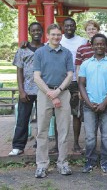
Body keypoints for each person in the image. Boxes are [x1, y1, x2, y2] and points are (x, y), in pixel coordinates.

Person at [33, 23, 73, 178]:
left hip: (62, 92)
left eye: (58, 34)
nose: (56, 37)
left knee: (63, 131)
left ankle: (63, 164)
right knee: (42, 131)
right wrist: (50, 93)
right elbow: (36, 76)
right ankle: (42, 165)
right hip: (44, 93)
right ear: (47, 36)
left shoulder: (67, 53)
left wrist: (58, 91)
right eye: (53, 34)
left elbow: (70, 75)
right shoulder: (40, 53)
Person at [78, 33, 107, 173]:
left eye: (102, 43)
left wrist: (105, 102)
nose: (99, 46)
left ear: (106, 46)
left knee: (106, 136)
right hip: (89, 106)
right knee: (90, 136)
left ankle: (106, 162)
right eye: (97, 43)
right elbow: (81, 84)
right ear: (92, 45)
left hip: (106, 105)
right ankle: (90, 161)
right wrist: (88, 103)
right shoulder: (85, 64)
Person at [9, 22, 44, 156]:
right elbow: (19, 71)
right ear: (30, 32)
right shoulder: (22, 49)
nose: (36, 32)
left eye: (39, 30)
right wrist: (21, 90)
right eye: (33, 30)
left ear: (42, 32)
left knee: (42, 119)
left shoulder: (45, 49)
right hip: (27, 91)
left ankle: (39, 143)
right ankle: (18, 146)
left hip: (42, 90)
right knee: (23, 119)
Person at [59, 17, 87, 153]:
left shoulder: (81, 41)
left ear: (75, 27)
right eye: (67, 26)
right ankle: (58, 144)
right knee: (58, 113)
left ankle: (76, 143)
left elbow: (93, 47)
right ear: (63, 27)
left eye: (72, 26)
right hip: (60, 82)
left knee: (76, 113)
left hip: (75, 81)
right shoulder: (58, 39)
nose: (69, 28)